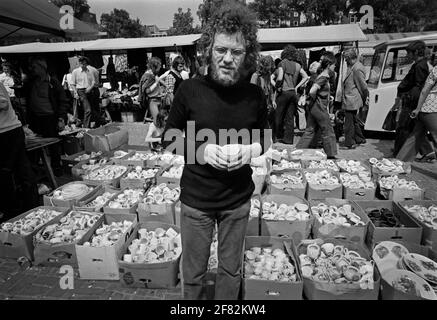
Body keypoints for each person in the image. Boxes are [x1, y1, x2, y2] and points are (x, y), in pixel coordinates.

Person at [161, 1, 270, 300]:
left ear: (247, 56)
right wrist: (201, 151)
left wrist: (250, 151)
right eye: (221, 50)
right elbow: (168, 138)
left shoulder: (254, 94)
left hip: (237, 202)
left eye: (236, 52)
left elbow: (267, 139)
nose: (227, 59)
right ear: (208, 48)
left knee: (231, 270)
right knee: (194, 274)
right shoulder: (189, 90)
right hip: (197, 202)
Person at [0, 82, 38, 221]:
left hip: (7, 132)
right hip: (9, 131)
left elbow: (3, 103)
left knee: (15, 172)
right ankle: (17, 211)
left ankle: (29, 209)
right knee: (10, 173)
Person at [25, 56, 69, 176]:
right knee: (35, 146)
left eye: (34, 67)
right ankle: (37, 171)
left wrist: (61, 119)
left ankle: (57, 170)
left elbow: (63, 101)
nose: (32, 69)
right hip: (35, 119)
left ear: (41, 68)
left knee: (53, 145)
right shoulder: (31, 82)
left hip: (50, 118)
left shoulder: (52, 82)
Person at [391, 40, 434, 159]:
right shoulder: (419, 64)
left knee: (404, 129)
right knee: (413, 130)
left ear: (415, 52)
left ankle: (398, 156)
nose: (407, 55)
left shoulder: (420, 66)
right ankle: (427, 153)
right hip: (413, 103)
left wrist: (410, 100)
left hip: (412, 104)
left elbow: (419, 87)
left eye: (409, 53)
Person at [296, 52, 338, 159]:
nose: (335, 66)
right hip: (319, 107)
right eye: (334, 64)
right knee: (327, 129)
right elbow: (312, 90)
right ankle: (331, 154)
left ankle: (297, 153)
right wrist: (316, 97)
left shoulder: (322, 75)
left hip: (314, 107)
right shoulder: (324, 76)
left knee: (309, 130)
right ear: (329, 65)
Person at [397, 64, 437, 162]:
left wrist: (418, 109)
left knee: (415, 137)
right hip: (432, 109)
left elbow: (425, 90)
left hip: (426, 108)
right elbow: (424, 90)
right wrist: (418, 109)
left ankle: (400, 163)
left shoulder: (435, 69)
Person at [275, 44, 309, 144]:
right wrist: (297, 87)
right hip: (292, 93)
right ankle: (289, 140)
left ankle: (277, 137)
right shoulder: (298, 65)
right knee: (290, 117)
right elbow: (306, 77)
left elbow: (280, 77)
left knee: (278, 115)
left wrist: (277, 85)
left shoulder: (282, 63)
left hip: (284, 92)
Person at [340, 48, 368, 149]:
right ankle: (359, 138)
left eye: (346, 59)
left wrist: (365, 99)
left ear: (349, 58)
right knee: (354, 120)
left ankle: (350, 142)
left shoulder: (356, 68)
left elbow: (362, 86)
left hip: (352, 99)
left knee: (349, 123)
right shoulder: (353, 67)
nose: (345, 61)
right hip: (351, 99)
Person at [71, 56, 101, 128]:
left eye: (84, 64)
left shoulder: (89, 71)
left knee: (91, 110)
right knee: (88, 110)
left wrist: (90, 88)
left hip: (89, 91)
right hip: (81, 91)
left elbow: (94, 82)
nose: (83, 65)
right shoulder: (75, 72)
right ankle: (85, 127)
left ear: (86, 64)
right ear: (79, 64)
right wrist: (75, 92)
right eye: (81, 64)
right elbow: (72, 84)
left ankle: (95, 123)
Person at [251, 55, 276, 137]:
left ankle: (266, 139)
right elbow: (252, 91)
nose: (270, 69)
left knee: (266, 121)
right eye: (269, 67)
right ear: (263, 66)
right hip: (257, 103)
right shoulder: (255, 76)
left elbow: (270, 89)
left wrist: (273, 100)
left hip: (266, 102)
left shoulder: (268, 74)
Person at [138, 57, 166, 122]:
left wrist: (167, 86)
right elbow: (147, 91)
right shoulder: (147, 76)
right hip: (152, 101)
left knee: (159, 121)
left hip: (157, 99)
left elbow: (158, 79)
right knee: (157, 122)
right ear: (153, 67)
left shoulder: (152, 74)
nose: (159, 69)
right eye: (159, 68)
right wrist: (156, 83)